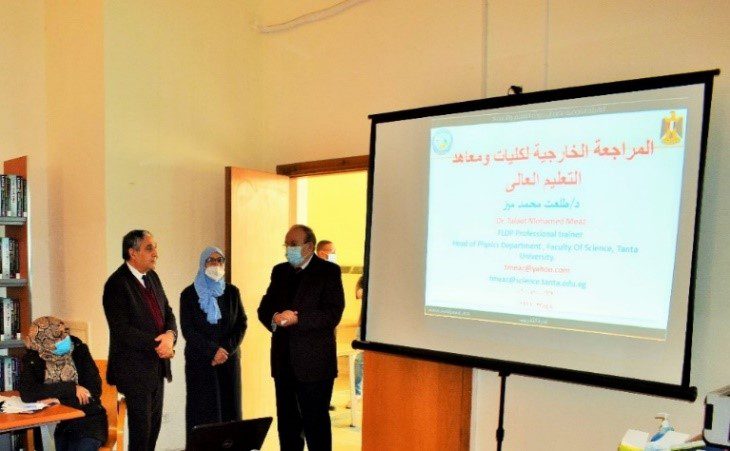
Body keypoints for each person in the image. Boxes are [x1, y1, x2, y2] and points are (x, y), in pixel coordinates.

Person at [258, 224, 345, 451]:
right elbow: (264, 308)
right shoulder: (280, 271)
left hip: (315, 365)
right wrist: (275, 317)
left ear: (309, 246)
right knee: (287, 426)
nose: (288, 249)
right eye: (286, 244)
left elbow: (332, 314)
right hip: (284, 363)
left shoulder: (328, 272)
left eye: (293, 244)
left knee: (316, 425)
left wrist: (299, 318)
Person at [102, 229, 178, 451]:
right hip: (134, 370)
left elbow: (168, 312)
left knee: (153, 429)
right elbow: (122, 331)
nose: (156, 253)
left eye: (155, 248)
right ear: (132, 253)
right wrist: (161, 344)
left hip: (157, 367)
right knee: (141, 434)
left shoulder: (152, 277)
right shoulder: (116, 284)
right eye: (149, 248)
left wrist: (171, 336)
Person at [180, 246, 247, 447]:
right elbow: (188, 329)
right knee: (203, 415)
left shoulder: (232, 292)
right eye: (211, 260)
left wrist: (225, 349)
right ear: (203, 264)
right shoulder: (189, 294)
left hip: (228, 362)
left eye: (220, 260)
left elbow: (241, 323)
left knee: (230, 413)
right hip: (201, 364)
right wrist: (212, 351)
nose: (216, 264)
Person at [19, 316, 108, 451]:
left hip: (87, 420)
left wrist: (58, 400)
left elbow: (93, 391)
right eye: (57, 336)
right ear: (43, 341)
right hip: (52, 423)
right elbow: (28, 393)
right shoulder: (33, 357)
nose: (65, 339)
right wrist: (71, 388)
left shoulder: (79, 350)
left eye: (64, 333)